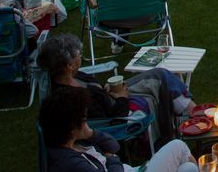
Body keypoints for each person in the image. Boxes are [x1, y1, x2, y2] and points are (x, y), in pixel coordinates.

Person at [38, 32, 190, 157]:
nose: (81, 57)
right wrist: (122, 98)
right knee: (160, 80)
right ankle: (192, 118)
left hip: (112, 94)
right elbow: (110, 119)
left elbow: (95, 88)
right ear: (69, 66)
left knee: (160, 75)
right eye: (79, 55)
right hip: (120, 111)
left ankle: (189, 116)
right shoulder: (73, 99)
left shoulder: (72, 77)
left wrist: (107, 89)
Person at [39, 86, 198, 172]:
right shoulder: (72, 164)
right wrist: (112, 158)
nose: (86, 123)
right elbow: (112, 152)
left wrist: (92, 134)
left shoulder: (75, 143)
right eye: (84, 119)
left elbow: (114, 146)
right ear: (71, 129)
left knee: (188, 168)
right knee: (178, 146)